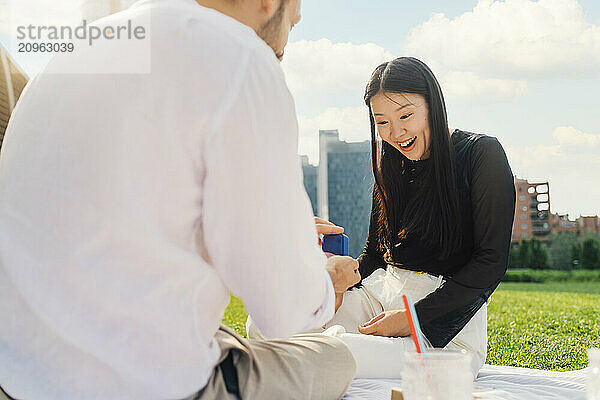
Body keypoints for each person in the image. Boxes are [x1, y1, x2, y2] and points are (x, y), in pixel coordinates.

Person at [0, 1, 359, 399]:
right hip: (141, 386)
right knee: (335, 356)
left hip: (18, 376)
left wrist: (271, 229)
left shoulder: (78, 48)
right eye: (295, 12)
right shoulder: (243, 59)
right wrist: (327, 280)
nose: (294, 23)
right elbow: (286, 313)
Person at [247, 57, 516, 378]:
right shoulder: (392, 162)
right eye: (382, 121)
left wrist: (412, 318)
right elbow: (375, 256)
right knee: (266, 323)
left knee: (334, 352)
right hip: (382, 295)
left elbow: (491, 263)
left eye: (405, 115)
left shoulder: (481, 153)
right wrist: (335, 285)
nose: (396, 132)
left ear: (432, 105)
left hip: (446, 325)